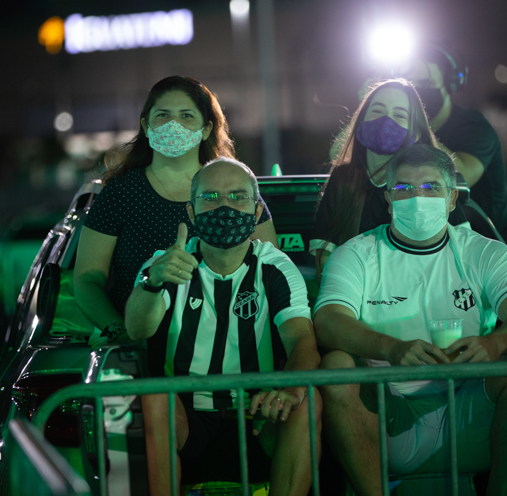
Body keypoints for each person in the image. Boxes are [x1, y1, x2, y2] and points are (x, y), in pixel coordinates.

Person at [313, 144, 507, 496]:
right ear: (388, 198)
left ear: (452, 198)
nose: (416, 197)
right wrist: (391, 349)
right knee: (335, 366)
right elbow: (328, 320)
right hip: (387, 411)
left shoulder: (483, 251)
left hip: (471, 408)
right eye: (403, 188)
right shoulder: (357, 255)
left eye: (430, 187)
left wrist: (494, 343)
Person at [125, 157, 321, 496]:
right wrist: (152, 281)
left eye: (237, 196)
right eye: (210, 197)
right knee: (154, 395)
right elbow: (137, 329)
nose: (225, 205)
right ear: (190, 211)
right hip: (186, 420)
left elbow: (301, 340)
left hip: (260, 417)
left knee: (308, 398)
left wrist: (290, 391)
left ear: (257, 212)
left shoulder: (275, 267)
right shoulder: (168, 263)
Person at [73, 75, 278, 342]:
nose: (174, 125)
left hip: (227, 348)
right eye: (163, 115)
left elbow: (271, 270)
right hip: (137, 348)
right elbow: (87, 281)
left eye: (186, 116)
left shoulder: (236, 190)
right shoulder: (120, 192)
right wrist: (123, 334)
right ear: (146, 126)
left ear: (206, 129)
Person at [310, 78, 469, 283]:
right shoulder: (343, 179)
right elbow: (325, 261)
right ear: (360, 121)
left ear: (416, 132)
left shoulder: (431, 183)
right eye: (377, 111)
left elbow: (464, 250)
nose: (386, 120)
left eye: (400, 115)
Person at [406, 42, 507, 252]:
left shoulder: (474, 126)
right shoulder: (406, 130)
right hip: (443, 252)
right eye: (412, 85)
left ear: (449, 85)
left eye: (427, 83)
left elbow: (463, 175)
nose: (418, 93)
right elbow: (339, 156)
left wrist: (417, 129)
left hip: (493, 255)